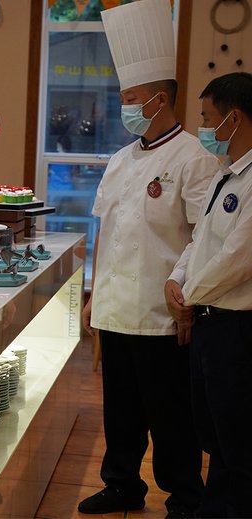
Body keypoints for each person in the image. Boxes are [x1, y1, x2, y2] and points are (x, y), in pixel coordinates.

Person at [78, 0, 221, 516]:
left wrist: (188, 301)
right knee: (120, 410)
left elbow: (206, 236)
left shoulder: (194, 159)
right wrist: (93, 297)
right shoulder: (119, 160)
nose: (124, 106)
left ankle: (184, 496)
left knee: (170, 414)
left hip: (163, 313)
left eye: (131, 98)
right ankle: (122, 484)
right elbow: (106, 229)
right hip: (116, 307)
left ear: (159, 100)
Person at [165, 72, 252, 518]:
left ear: (233, 119)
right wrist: (176, 279)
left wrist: (188, 298)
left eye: (206, 117)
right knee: (214, 431)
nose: (202, 126)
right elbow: (200, 240)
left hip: (237, 327)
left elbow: (238, 257)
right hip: (208, 322)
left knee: (239, 436)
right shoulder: (226, 174)